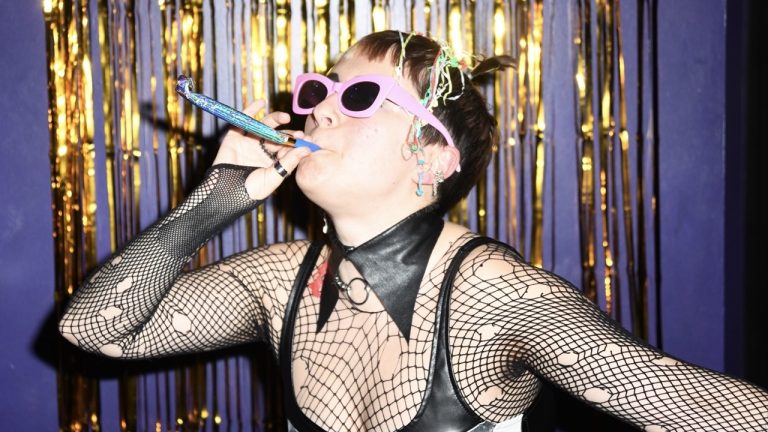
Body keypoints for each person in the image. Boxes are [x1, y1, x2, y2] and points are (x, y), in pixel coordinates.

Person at [59, 30, 768, 431]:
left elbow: (709, 409)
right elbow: (91, 332)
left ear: (432, 156)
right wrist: (211, 203)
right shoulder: (278, 280)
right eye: (316, 91)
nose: (319, 112)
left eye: (359, 96)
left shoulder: (493, 296)